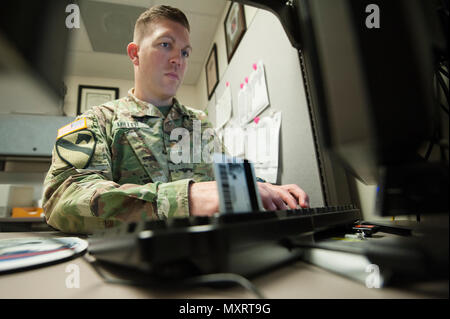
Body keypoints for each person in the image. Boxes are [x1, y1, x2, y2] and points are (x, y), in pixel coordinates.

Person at [42, 5, 309, 234]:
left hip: (213, 256)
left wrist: (266, 190)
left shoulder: (199, 123)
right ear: (135, 53)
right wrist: (185, 199)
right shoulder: (98, 121)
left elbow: (229, 179)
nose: (177, 60)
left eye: (185, 52)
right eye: (165, 44)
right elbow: (62, 199)